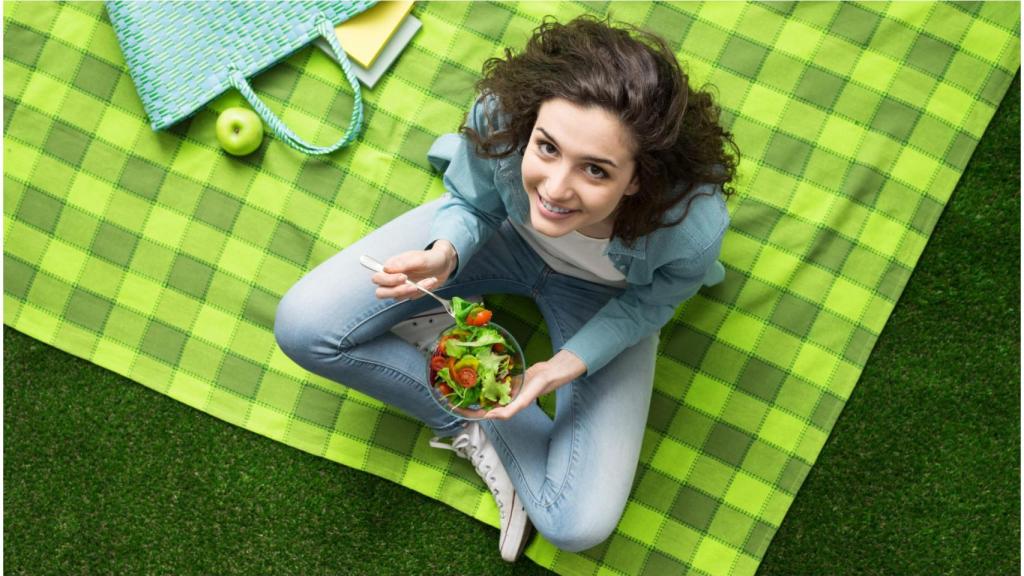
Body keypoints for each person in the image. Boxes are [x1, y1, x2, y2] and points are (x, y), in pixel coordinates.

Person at [274, 14, 738, 562]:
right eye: (546, 148)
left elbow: (650, 305)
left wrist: (565, 364)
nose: (556, 190)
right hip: (497, 238)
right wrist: (444, 251)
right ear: (530, 125)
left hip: (603, 300)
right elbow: (469, 201)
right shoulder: (501, 115)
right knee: (302, 327)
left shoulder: (690, 227)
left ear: (639, 177)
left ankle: (469, 389)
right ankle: (465, 413)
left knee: (575, 525)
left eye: (595, 170)